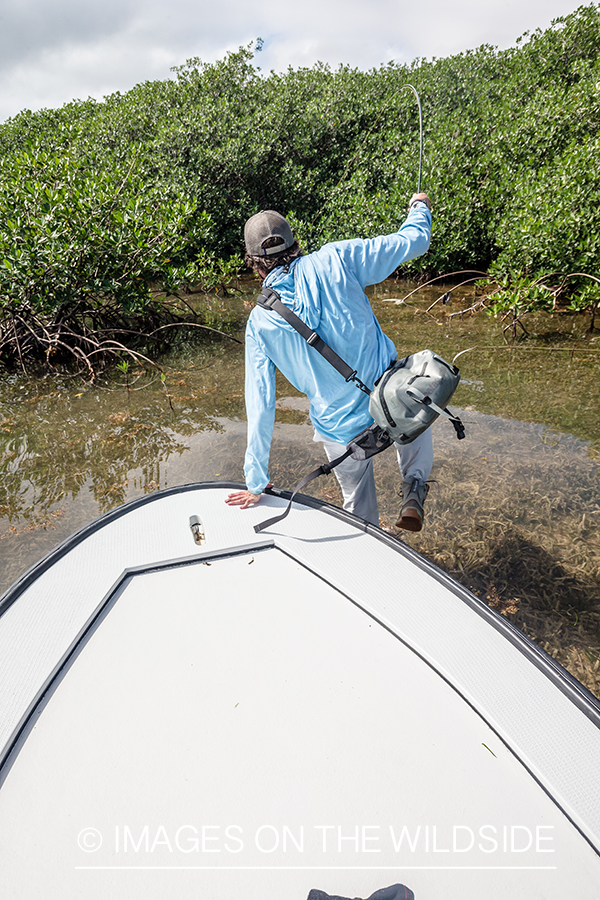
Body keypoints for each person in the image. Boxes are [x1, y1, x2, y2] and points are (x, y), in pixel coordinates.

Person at [226, 194, 433, 531]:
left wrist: (256, 478)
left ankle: (368, 545)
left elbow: (261, 405)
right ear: (295, 243)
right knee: (414, 396)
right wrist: (419, 207)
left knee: (358, 509)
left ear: (253, 262)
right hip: (392, 401)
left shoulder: (259, 323)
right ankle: (414, 486)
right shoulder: (338, 257)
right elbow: (414, 241)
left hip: (341, 431)